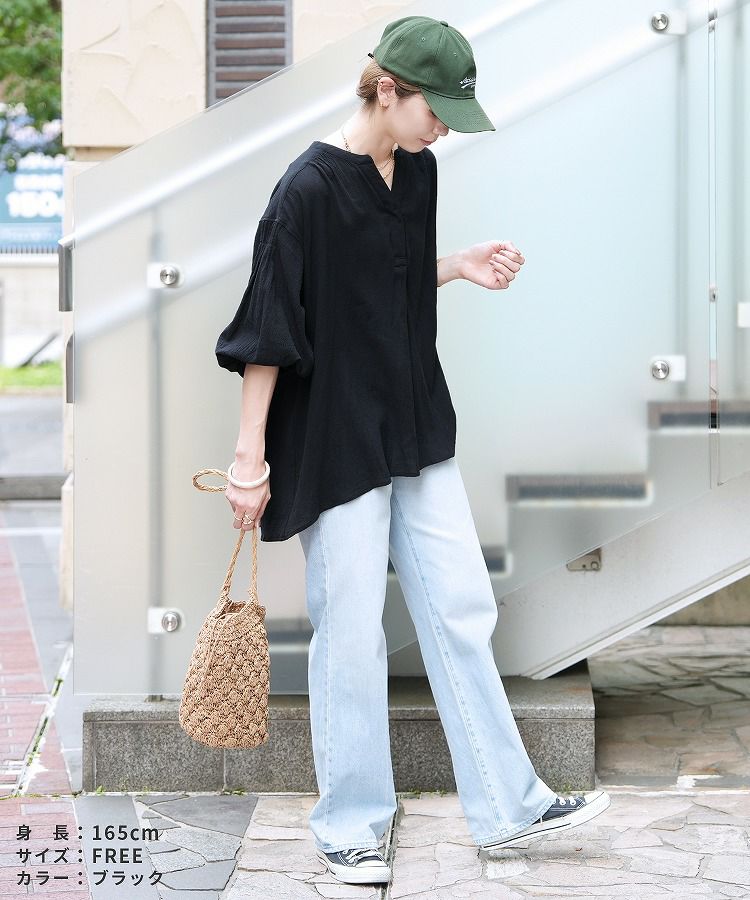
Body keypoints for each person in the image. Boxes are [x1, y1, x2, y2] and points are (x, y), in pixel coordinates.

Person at [215, 14, 610, 887]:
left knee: (461, 605)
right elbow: (270, 331)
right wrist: (249, 459)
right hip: (335, 434)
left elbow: (380, 281)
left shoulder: (418, 169)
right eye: (438, 111)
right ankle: (350, 825)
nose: (444, 131)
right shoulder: (305, 190)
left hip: (414, 421)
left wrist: (455, 264)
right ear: (387, 89)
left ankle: (508, 805)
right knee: (352, 631)